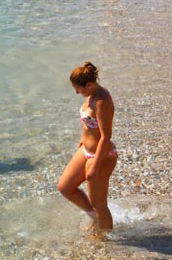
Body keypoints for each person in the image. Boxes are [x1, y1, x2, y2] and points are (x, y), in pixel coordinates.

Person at [58, 62, 116, 231]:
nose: (77, 92)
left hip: (101, 155)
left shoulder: (102, 101)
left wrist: (95, 166)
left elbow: (106, 137)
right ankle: (95, 219)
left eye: (79, 89)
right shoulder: (90, 95)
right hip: (86, 150)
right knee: (65, 187)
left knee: (99, 203)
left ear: (89, 84)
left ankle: (105, 239)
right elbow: (91, 124)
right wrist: (84, 139)